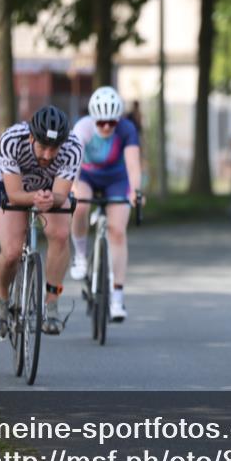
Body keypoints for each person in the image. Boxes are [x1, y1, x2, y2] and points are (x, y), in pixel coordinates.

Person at [0, 105, 82, 336]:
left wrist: (51, 198)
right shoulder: (11, 140)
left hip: (49, 188)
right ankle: (0, 297)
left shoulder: (73, 147)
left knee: (59, 234)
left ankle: (52, 304)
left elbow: (61, 194)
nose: (47, 155)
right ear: (31, 137)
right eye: (42, 147)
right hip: (11, 186)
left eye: (54, 149)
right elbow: (15, 193)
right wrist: (35, 198)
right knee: (11, 252)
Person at [68, 86, 143, 323]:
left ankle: (117, 297)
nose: (107, 127)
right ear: (94, 119)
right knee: (80, 205)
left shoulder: (127, 129)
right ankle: (80, 255)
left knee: (117, 232)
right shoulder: (83, 128)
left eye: (111, 122)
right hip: (88, 175)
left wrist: (136, 191)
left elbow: (132, 165)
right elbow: (74, 163)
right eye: (102, 123)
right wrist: (72, 186)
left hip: (116, 179)